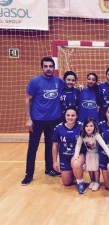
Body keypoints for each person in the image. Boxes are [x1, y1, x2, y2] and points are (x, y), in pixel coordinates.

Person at [21, 57, 64, 185]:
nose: (48, 69)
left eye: (51, 66)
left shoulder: (59, 82)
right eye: (46, 66)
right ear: (42, 67)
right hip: (37, 120)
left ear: (53, 67)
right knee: (33, 147)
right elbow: (27, 99)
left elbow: (69, 88)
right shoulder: (35, 82)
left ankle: (49, 168)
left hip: (53, 120)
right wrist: (28, 119)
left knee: (50, 146)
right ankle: (29, 174)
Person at [74, 117, 109, 192]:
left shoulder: (96, 135)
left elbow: (104, 145)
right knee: (90, 168)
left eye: (91, 126)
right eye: (86, 126)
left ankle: (97, 181)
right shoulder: (82, 135)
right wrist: (76, 155)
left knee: (96, 169)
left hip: (96, 154)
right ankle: (92, 181)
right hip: (88, 154)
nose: (89, 128)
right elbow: (78, 145)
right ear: (84, 127)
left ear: (94, 126)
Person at [52, 107, 85, 191]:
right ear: (65, 116)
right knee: (66, 183)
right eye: (68, 115)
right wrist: (55, 161)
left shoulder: (82, 127)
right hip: (65, 157)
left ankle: (80, 183)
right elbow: (55, 145)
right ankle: (74, 172)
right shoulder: (58, 128)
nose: (70, 117)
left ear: (77, 116)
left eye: (73, 115)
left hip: (78, 155)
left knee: (76, 163)